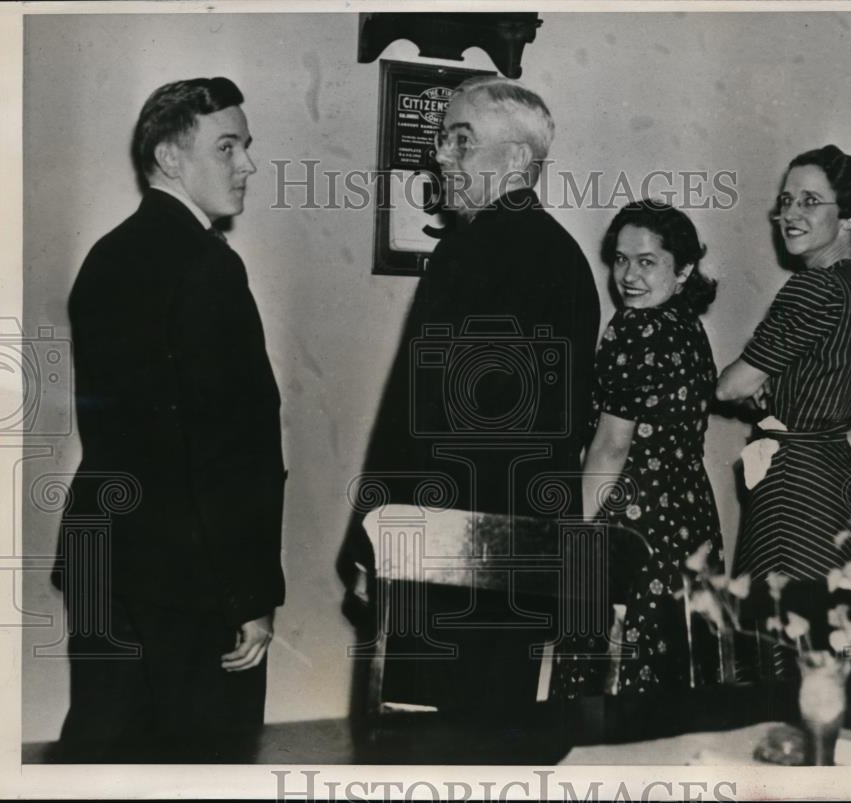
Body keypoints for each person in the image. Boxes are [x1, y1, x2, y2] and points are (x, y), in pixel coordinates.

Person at [337, 76, 600, 717]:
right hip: (522, 563)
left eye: (461, 140)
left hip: (440, 560)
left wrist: (372, 537)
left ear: (515, 161)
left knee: (416, 752)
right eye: (442, 138)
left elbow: (418, 421)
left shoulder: (467, 252)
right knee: (494, 743)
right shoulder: (569, 262)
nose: (440, 155)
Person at [50, 77, 285, 762]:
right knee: (205, 763)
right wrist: (250, 592)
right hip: (193, 574)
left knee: (102, 750)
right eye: (228, 147)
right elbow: (228, 450)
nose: (247, 165)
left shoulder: (106, 256)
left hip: (105, 556)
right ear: (170, 157)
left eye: (246, 147)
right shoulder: (210, 266)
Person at [716, 145, 851, 675]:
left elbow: (730, 386)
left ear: (850, 215)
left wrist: (753, 391)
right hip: (835, 478)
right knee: (830, 641)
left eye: (811, 201)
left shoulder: (812, 288)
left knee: (778, 648)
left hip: (794, 486)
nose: (791, 213)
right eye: (787, 200)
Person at [550, 200, 724, 698]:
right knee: (676, 677)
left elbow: (609, 448)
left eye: (647, 262)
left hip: (632, 523)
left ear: (684, 268)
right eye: (621, 259)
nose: (628, 275)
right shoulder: (690, 328)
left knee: (608, 681)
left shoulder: (634, 329)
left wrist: (573, 543)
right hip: (690, 521)